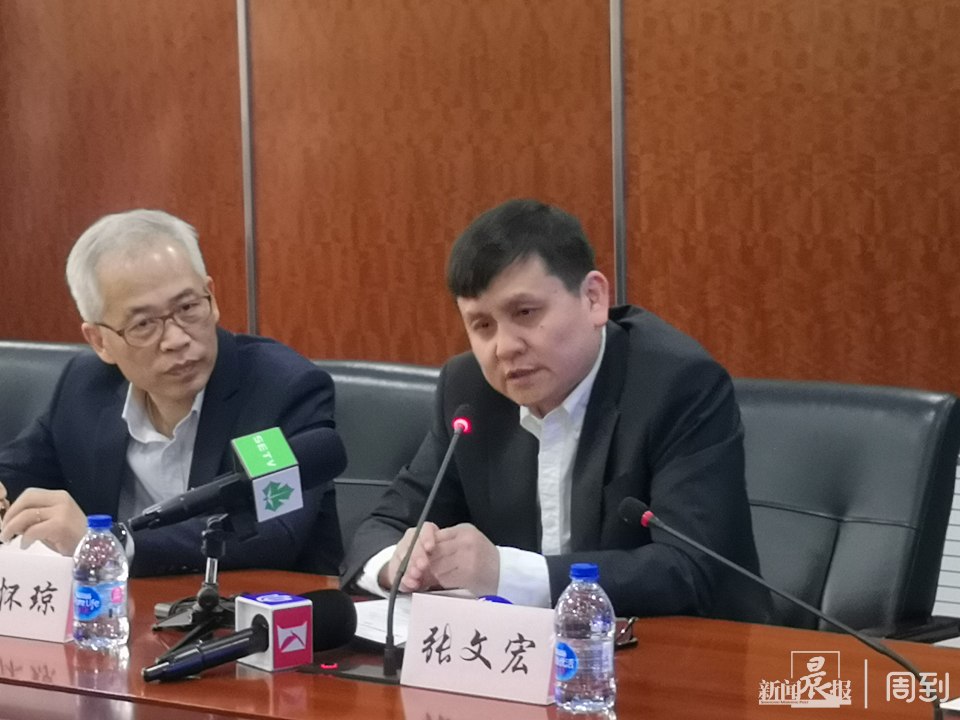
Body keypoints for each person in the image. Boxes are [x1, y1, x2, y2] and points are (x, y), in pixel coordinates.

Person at [342, 198, 769, 621]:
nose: (504, 348)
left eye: (525, 312)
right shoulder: (468, 390)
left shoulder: (678, 385)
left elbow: (691, 569)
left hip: (687, 649)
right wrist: (399, 565)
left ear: (593, 299)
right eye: (482, 325)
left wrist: (505, 574)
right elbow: (381, 528)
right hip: (523, 654)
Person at [0, 209, 343, 576]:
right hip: (121, 607)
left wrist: (108, 542)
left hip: (257, 606)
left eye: (188, 307)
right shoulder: (86, 387)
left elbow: (271, 531)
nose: (177, 339)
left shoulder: (280, 389)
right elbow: (19, 470)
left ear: (212, 298)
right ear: (99, 341)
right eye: (144, 324)